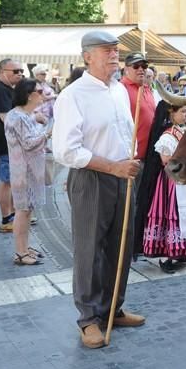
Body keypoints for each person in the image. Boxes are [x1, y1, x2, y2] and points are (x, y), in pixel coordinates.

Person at [52, 31, 144, 349]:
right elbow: (66, 151)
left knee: (121, 246)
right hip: (92, 178)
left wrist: (128, 164)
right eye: (107, 50)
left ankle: (112, 310)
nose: (115, 54)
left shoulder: (118, 89)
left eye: (116, 49)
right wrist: (113, 166)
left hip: (124, 176)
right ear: (87, 56)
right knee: (90, 250)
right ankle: (89, 319)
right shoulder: (73, 95)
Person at [138, 102, 186, 273]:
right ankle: (166, 255)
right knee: (171, 215)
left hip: (185, 179)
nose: (185, 115)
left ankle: (183, 250)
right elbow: (165, 160)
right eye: (182, 111)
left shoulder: (182, 131)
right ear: (171, 113)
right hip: (171, 183)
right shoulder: (167, 136)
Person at [4, 78, 48, 265]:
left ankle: (25, 246)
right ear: (30, 96)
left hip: (29, 170)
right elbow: (29, 143)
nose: (43, 94)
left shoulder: (23, 114)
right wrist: (48, 132)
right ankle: (20, 252)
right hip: (23, 171)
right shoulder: (18, 116)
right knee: (22, 211)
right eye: (40, 91)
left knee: (27, 210)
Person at [0, 58, 24, 233]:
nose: (20, 74)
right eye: (15, 71)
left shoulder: (7, 89)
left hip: (9, 142)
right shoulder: (0, 90)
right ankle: (6, 219)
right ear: (3, 72)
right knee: (7, 181)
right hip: (4, 143)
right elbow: (7, 118)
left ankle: (13, 215)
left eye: (21, 71)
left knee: (11, 180)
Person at [120, 53, 156, 177]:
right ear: (126, 70)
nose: (141, 69)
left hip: (149, 157)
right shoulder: (120, 89)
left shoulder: (146, 88)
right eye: (136, 66)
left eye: (144, 65)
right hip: (132, 159)